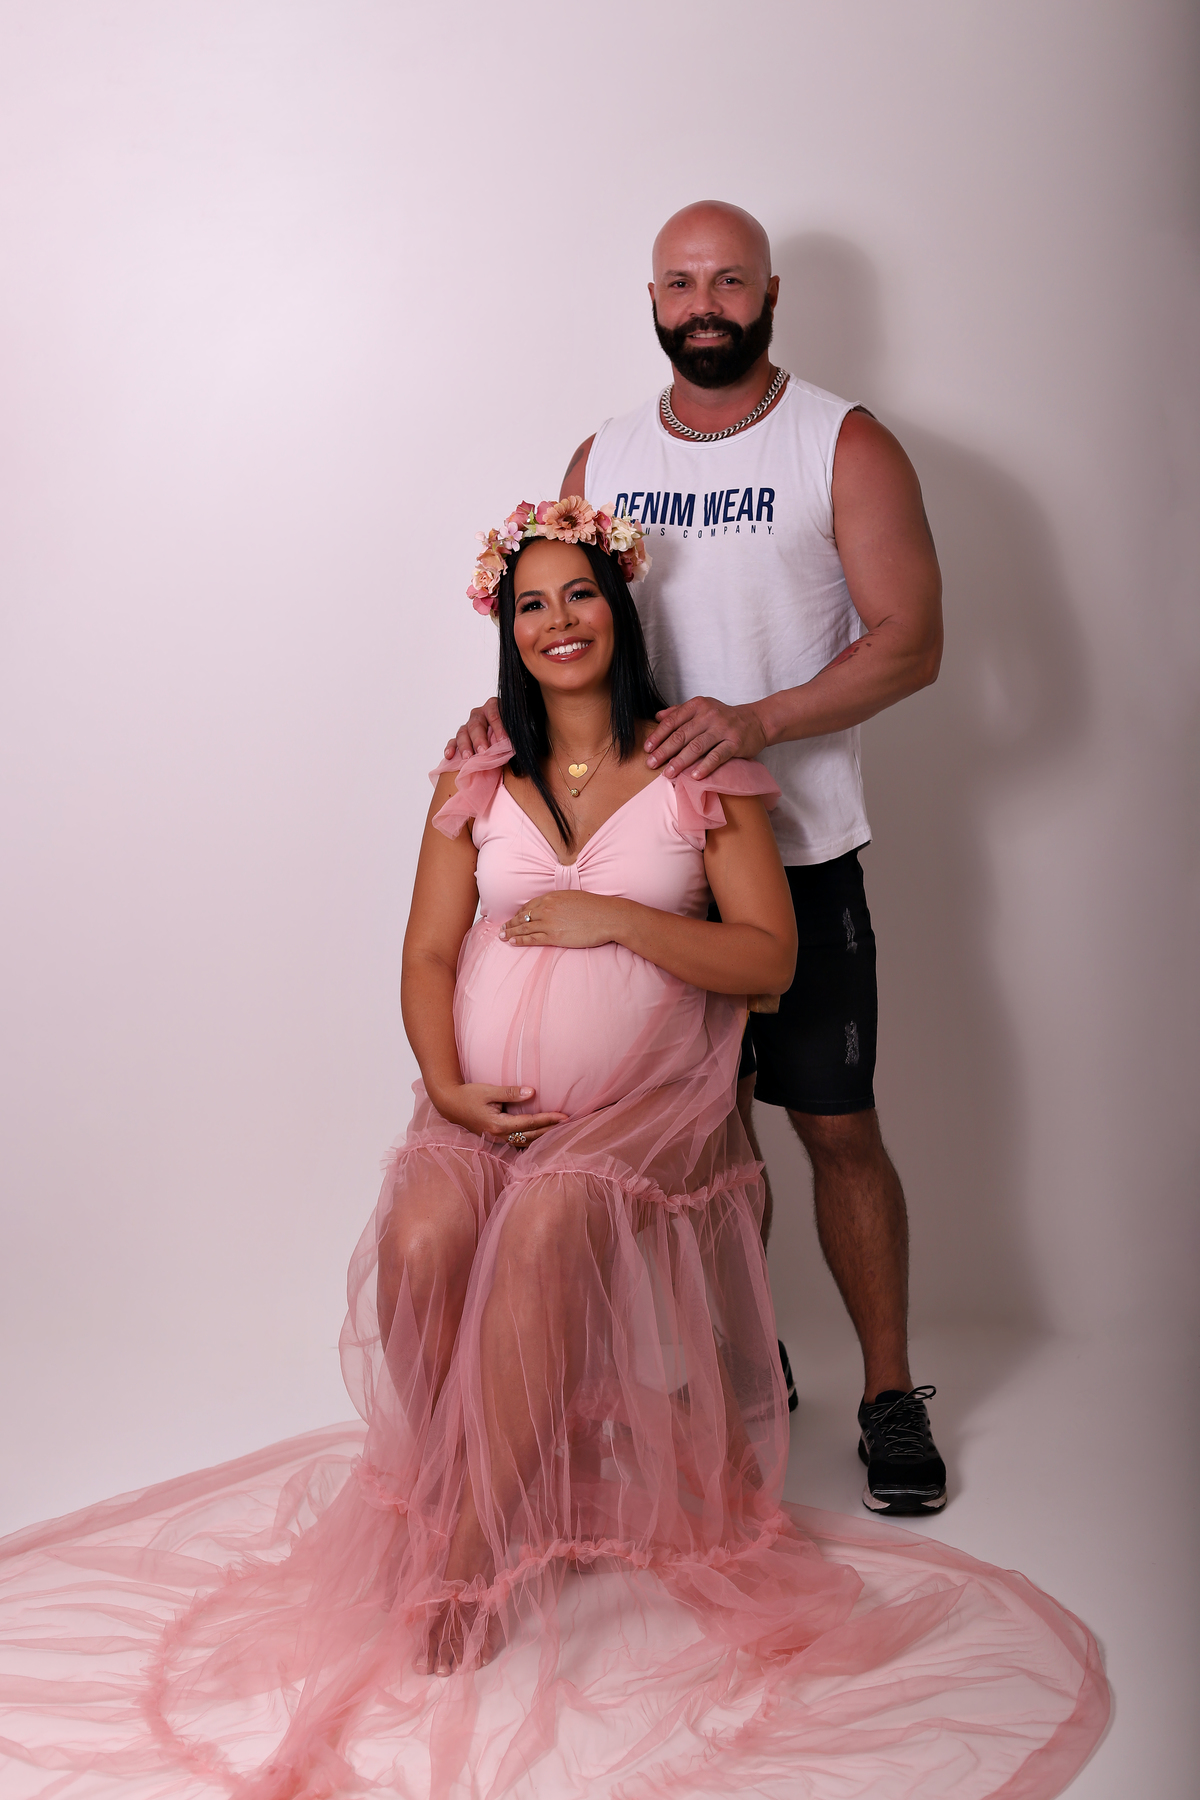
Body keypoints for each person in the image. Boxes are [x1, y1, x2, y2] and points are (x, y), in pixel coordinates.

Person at [0, 500, 1108, 1800]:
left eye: (580, 594)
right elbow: (427, 951)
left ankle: (470, 1552)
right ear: (507, 629)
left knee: (547, 1223)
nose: (559, 620)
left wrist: (618, 921)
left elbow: (768, 960)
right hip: (485, 1105)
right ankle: (462, 1486)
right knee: (423, 1234)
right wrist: (447, 1087)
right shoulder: (476, 773)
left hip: (649, 1110)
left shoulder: (698, 769)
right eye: (531, 603)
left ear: (618, 611)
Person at [448, 199, 947, 1518]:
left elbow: (912, 641)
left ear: (770, 294)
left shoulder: (838, 441)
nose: (705, 303)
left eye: (730, 280)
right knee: (703, 1137)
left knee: (834, 1124)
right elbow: (561, 618)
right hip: (649, 867)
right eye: (681, 282)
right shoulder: (604, 454)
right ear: (653, 300)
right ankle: (746, 1366)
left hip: (798, 851)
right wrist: (500, 721)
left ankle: (889, 1394)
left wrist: (760, 720)